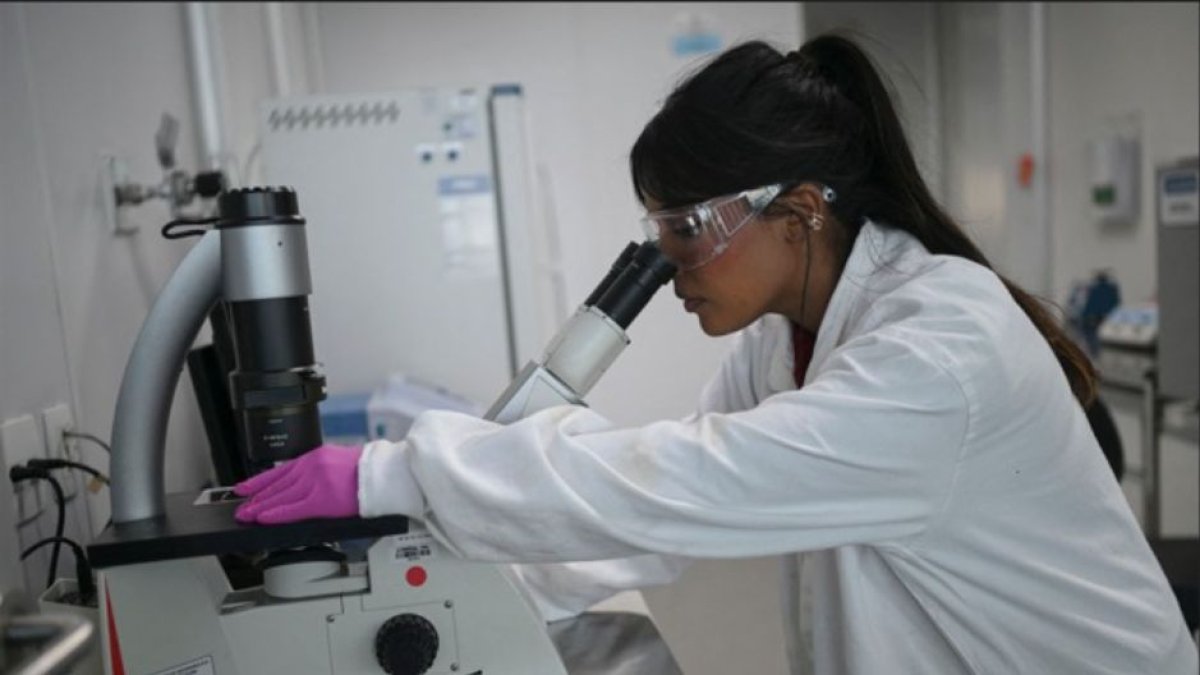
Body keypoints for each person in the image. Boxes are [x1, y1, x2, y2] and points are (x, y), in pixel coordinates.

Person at [234, 35, 1198, 674]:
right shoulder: (790, 340)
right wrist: (472, 576)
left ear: (802, 207)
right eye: (657, 226)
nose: (668, 259)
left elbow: (695, 479)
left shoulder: (940, 349)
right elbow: (670, 516)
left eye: (686, 225)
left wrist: (396, 469)